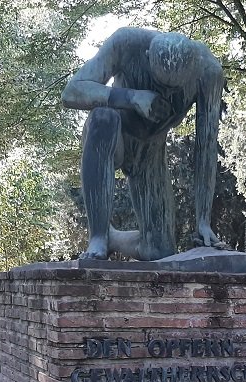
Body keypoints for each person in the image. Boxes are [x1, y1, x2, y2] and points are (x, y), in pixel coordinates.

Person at [62, 28, 227, 261]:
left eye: (173, 89)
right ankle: (98, 235)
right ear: (148, 56)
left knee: (159, 251)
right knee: (103, 117)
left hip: (151, 149)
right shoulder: (127, 42)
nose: (165, 93)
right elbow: (71, 92)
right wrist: (132, 97)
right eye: (160, 85)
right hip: (114, 132)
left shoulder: (209, 72)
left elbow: (207, 145)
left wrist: (203, 221)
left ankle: (112, 237)